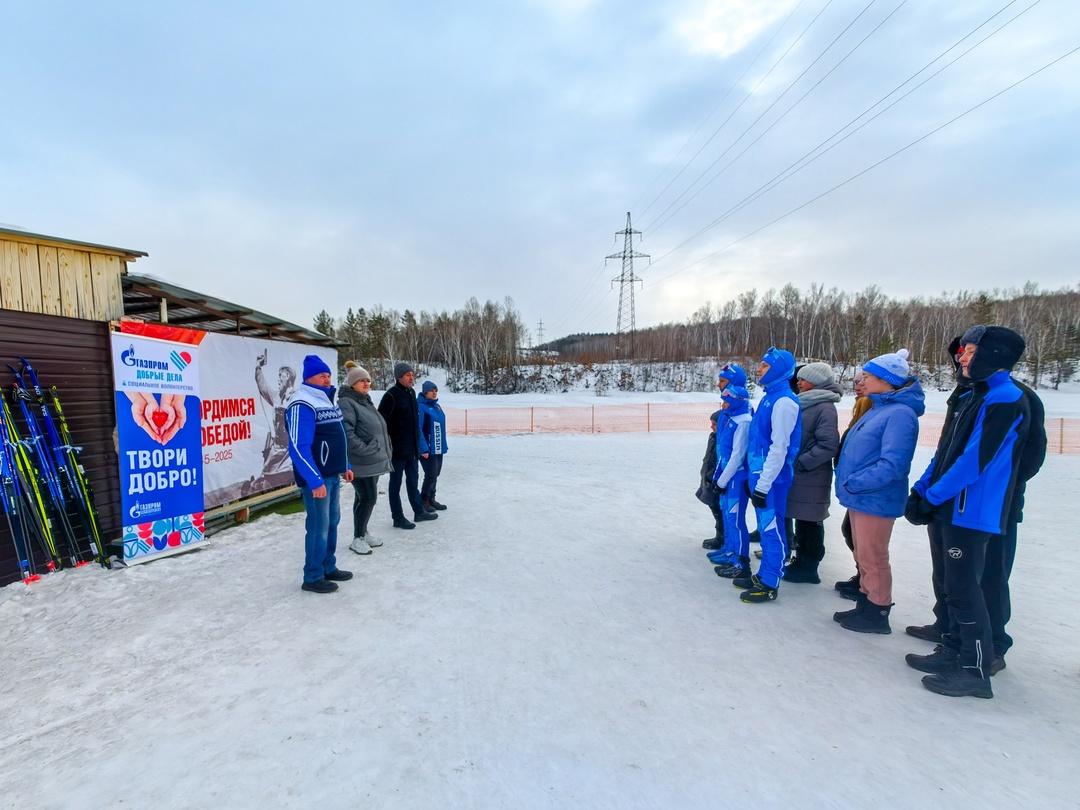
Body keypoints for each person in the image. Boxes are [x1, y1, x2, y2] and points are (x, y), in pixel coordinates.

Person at [903, 327, 1036, 698]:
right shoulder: (973, 395)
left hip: (971, 510)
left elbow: (974, 461)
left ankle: (975, 669)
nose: (961, 356)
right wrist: (923, 489)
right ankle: (954, 650)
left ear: (993, 354)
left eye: (970, 350)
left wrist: (937, 495)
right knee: (950, 585)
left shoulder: (1007, 399)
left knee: (965, 589)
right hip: (951, 505)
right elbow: (947, 451)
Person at [831, 349, 924, 633]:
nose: (862, 380)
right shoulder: (881, 407)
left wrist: (856, 481)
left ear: (886, 379)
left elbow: (893, 464)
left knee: (873, 556)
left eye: (868, 376)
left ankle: (877, 612)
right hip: (862, 497)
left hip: (875, 497)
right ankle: (866, 603)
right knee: (864, 554)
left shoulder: (900, 414)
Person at [732, 347, 801, 603]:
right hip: (761, 477)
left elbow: (779, 447)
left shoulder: (784, 401)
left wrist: (763, 485)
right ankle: (764, 574)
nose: (758, 369)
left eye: (764, 365)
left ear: (779, 369)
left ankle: (770, 581)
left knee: (772, 529)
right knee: (765, 528)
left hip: (772, 480)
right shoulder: (770, 397)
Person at [285, 355, 354, 593]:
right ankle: (312, 575)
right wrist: (314, 480)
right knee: (318, 525)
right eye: (322, 375)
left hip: (332, 474)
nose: (327, 379)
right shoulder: (302, 403)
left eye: (328, 375)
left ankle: (327, 566)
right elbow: (298, 447)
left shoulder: (329, 401)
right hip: (317, 479)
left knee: (332, 522)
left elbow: (339, 437)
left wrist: (345, 464)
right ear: (309, 378)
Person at [783, 362, 841, 585]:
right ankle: (801, 561)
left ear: (817, 381)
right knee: (803, 520)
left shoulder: (824, 407)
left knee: (811, 522)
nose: (799, 382)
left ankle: (809, 567)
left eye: (804, 379)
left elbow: (828, 445)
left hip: (811, 476)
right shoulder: (808, 403)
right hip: (803, 476)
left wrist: (801, 463)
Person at [338, 361, 394, 555]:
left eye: (368, 380)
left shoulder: (365, 400)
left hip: (371, 460)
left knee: (363, 498)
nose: (366, 383)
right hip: (360, 461)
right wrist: (367, 449)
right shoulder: (347, 402)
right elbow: (347, 433)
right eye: (361, 380)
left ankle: (362, 533)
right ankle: (357, 538)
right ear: (352, 383)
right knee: (368, 498)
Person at [378, 362, 434, 529]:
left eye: (412, 374)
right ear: (399, 377)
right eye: (408, 375)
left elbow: (415, 423)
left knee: (413, 482)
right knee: (395, 485)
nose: (412, 377)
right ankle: (398, 517)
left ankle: (418, 511)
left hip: (412, 450)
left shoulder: (411, 393)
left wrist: (418, 444)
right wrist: (389, 444)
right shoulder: (391, 395)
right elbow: (381, 422)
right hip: (397, 451)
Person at [706, 380, 753, 576]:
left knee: (735, 519)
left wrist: (723, 480)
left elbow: (737, 456)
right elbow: (724, 453)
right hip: (727, 474)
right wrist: (718, 477)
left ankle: (741, 563)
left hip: (736, 477)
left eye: (725, 401)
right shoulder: (731, 418)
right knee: (727, 514)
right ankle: (730, 550)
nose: (723, 405)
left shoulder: (744, 421)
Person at [834, 369, 873, 599]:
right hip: (853, 484)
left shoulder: (871, 407)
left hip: (864, 486)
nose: (857, 386)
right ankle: (862, 577)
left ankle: (867, 584)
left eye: (862, 382)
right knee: (851, 532)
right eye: (856, 382)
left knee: (865, 541)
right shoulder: (860, 407)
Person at [417, 380, 449, 512]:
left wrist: (443, 446)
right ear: (425, 392)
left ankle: (431, 499)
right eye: (431, 391)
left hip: (438, 447)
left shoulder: (436, 406)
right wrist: (423, 448)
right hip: (428, 449)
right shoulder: (420, 406)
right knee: (430, 474)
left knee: (436, 474)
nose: (434, 393)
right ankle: (424, 500)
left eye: (436, 391)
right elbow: (418, 429)